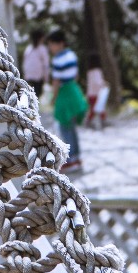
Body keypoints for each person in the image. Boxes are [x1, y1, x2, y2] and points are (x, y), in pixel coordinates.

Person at [46, 29, 86, 171]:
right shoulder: (71, 55)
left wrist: (53, 98)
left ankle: (70, 159)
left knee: (65, 127)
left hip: (64, 94)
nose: (50, 48)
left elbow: (56, 81)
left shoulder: (57, 60)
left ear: (60, 44)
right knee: (72, 127)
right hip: (74, 91)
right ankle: (76, 157)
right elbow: (76, 75)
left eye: (52, 44)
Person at [83, 61, 110, 131]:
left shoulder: (89, 72)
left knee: (94, 109)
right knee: (99, 108)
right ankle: (101, 122)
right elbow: (97, 82)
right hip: (96, 93)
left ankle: (92, 121)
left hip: (90, 93)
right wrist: (104, 84)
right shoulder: (97, 71)